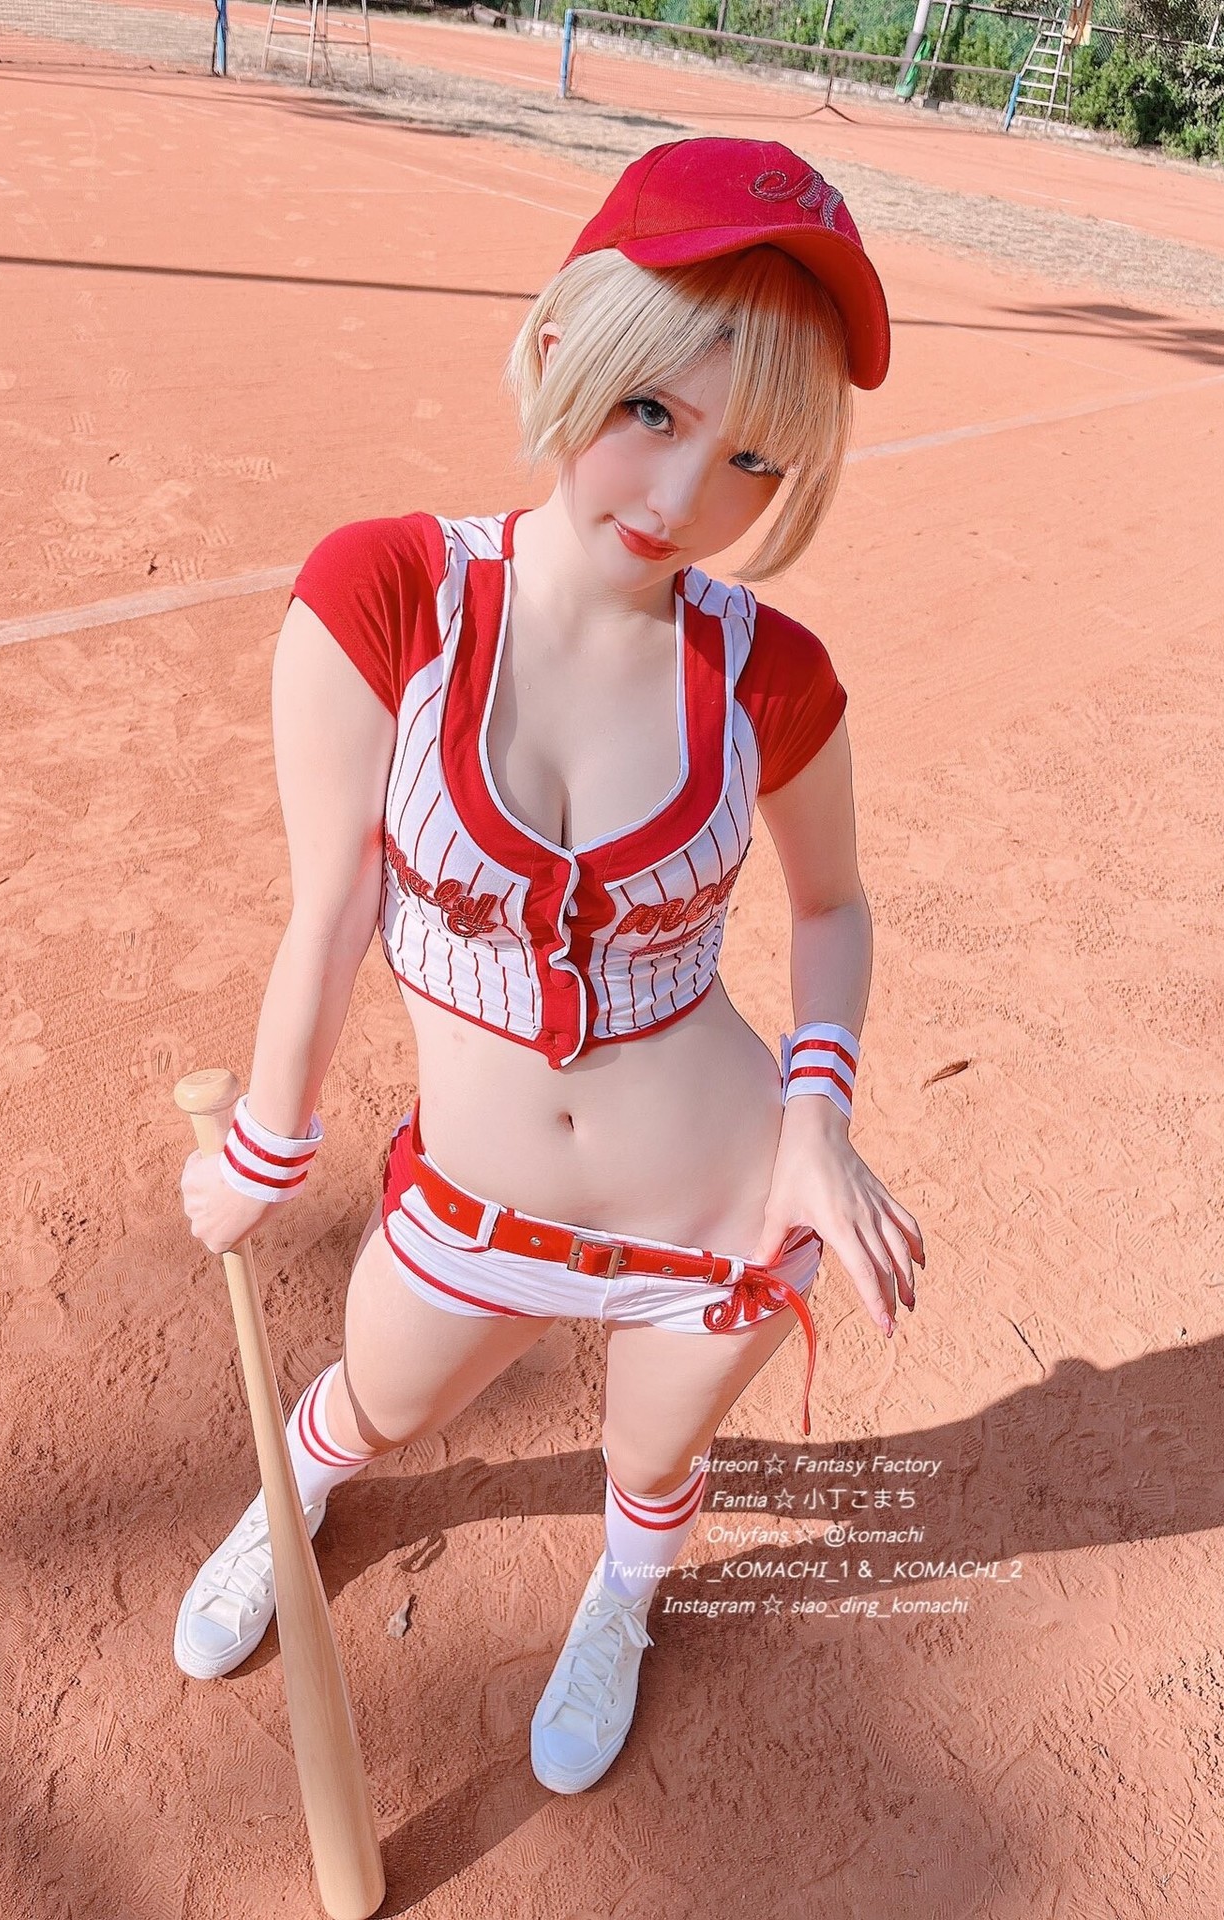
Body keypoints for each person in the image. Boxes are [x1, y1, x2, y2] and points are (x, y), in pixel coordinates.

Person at [177, 136, 923, 1796]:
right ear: (561, 344)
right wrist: (271, 1145)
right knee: (378, 1404)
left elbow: (834, 908)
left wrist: (817, 1121)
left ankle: (625, 1597)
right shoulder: (385, 594)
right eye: (651, 409)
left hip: (716, 1211)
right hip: (476, 1201)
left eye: (752, 457)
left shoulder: (775, 676)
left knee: (653, 1457)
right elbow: (335, 901)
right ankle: (296, 1492)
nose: (683, 498)